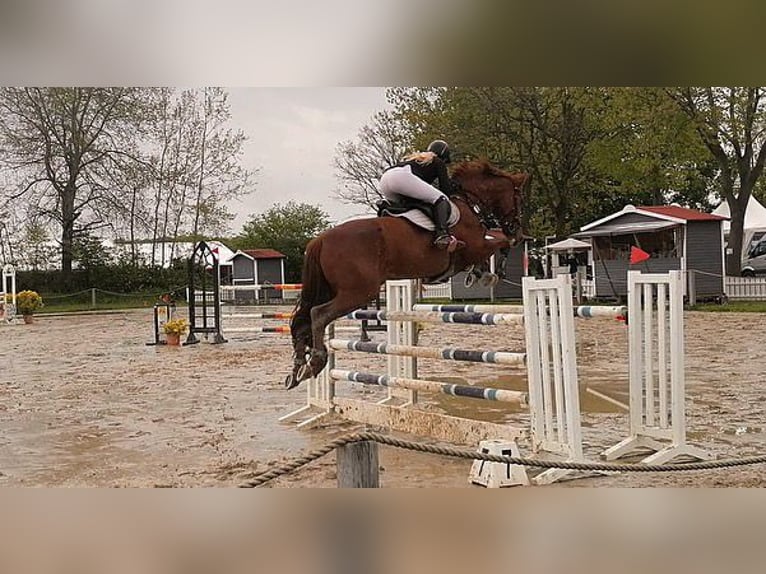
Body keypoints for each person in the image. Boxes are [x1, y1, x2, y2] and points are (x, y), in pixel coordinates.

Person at [378, 139, 462, 251]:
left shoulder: (417, 160)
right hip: (401, 178)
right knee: (441, 198)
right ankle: (442, 234)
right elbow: (445, 189)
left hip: (385, 179)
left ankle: (387, 210)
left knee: (410, 203)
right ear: (444, 156)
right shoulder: (438, 161)